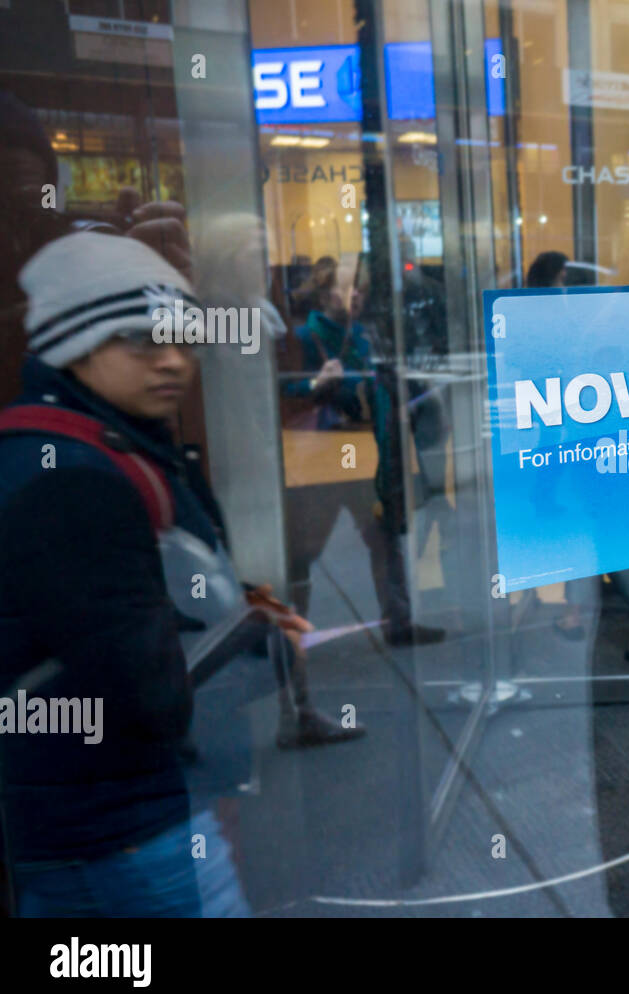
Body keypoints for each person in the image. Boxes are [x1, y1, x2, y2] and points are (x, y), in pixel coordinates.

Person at [0, 232, 355, 916]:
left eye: (182, 339)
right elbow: (150, 689)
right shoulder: (73, 479)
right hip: (127, 830)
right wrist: (257, 637)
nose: (171, 361)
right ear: (73, 343)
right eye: (139, 340)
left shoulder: (97, 443)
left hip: (97, 822)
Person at [524, 251, 629, 663]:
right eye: (560, 279)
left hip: (594, 444)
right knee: (593, 529)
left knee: (606, 537)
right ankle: (577, 615)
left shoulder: (589, 328)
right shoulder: (588, 324)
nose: (564, 288)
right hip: (596, 441)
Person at [282, 256, 444, 647]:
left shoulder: (364, 336)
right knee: (306, 550)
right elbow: (280, 394)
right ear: (324, 292)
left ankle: (399, 621)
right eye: (346, 286)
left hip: (367, 452)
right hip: (323, 458)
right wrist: (312, 386)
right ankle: (287, 633)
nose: (355, 294)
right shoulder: (304, 337)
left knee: (385, 538)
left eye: (360, 288)